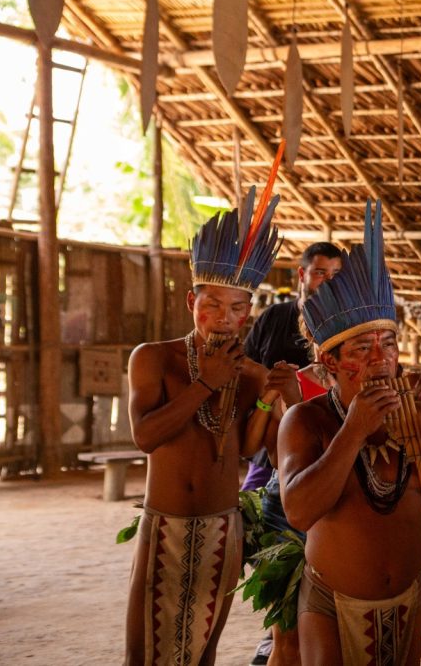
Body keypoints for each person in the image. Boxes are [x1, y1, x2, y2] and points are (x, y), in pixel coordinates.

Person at [277, 202, 421, 666]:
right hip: (330, 602)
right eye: (362, 348)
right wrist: (352, 432)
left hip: (407, 602)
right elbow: (298, 511)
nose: (380, 359)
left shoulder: (420, 417)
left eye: (388, 344)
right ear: (331, 361)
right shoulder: (307, 421)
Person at [124, 185, 291, 665]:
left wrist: (268, 402)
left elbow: (242, 450)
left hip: (223, 528)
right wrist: (206, 384)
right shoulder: (153, 359)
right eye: (213, 304)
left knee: (201, 651)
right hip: (165, 525)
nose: (224, 318)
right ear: (190, 303)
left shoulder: (248, 374)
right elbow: (146, 437)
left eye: (238, 308)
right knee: (144, 651)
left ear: (248, 313)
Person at [242, 241, 342, 666]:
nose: (326, 282)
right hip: (272, 465)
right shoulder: (274, 320)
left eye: (335, 275)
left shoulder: (346, 333)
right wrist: (271, 396)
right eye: (319, 272)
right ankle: (274, 640)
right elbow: (247, 377)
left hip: (327, 472)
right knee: (285, 613)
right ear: (301, 275)